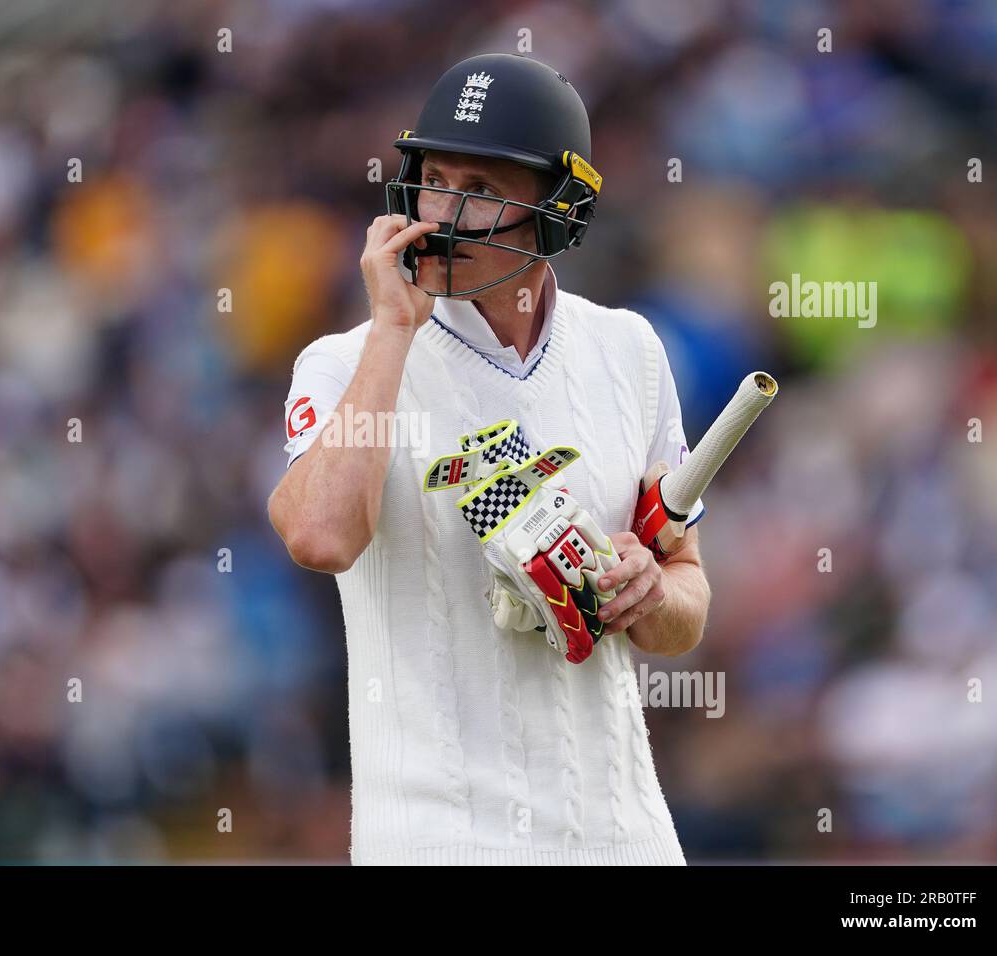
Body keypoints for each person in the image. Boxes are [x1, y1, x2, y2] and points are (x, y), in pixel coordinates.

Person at [268, 53, 710, 865]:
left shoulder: (632, 351)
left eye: (486, 188)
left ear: (559, 210)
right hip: (438, 841)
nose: (445, 213)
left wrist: (650, 590)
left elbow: (687, 602)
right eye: (436, 178)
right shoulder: (344, 363)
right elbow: (319, 537)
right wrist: (394, 332)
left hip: (626, 838)